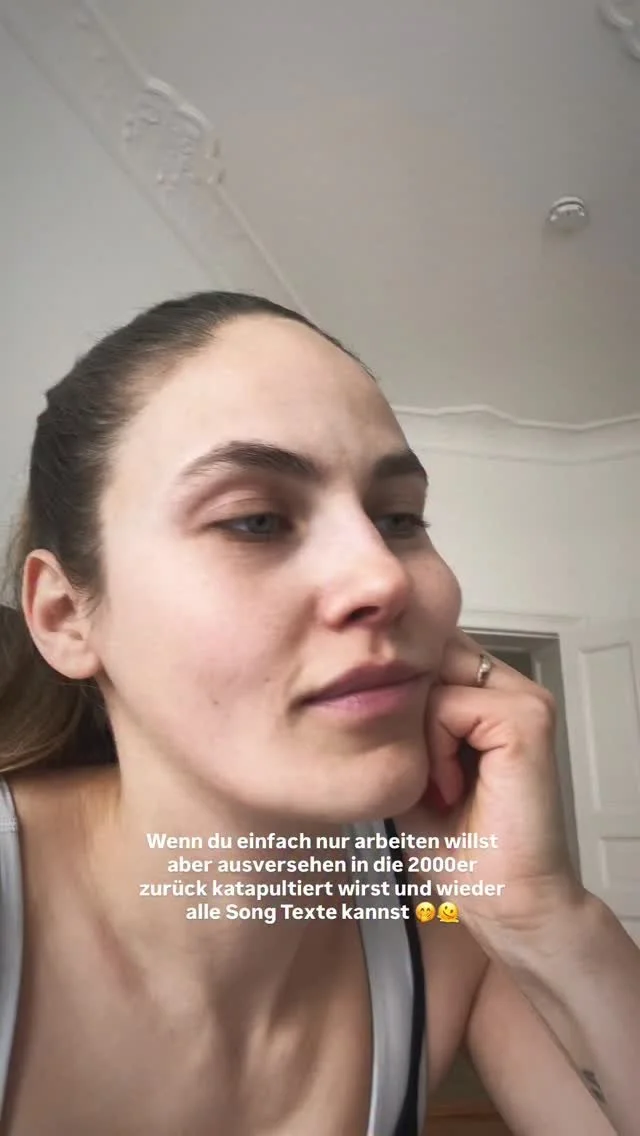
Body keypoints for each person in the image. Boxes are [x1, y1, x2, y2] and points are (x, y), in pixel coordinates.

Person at [0, 291, 637, 1136]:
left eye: (399, 518)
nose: (385, 577)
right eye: (255, 520)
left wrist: (548, 920)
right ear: (64, 617)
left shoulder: (451, 922)